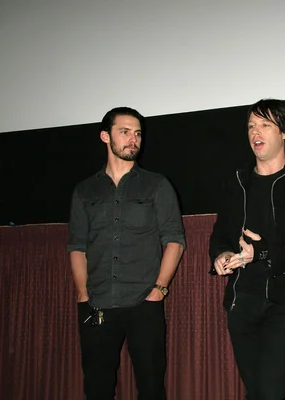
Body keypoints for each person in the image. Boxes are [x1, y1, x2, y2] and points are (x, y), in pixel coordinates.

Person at [209, 99, 285, 400]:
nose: (255, 132)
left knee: (270, 393)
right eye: (251, 126)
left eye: (265, 124)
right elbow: (220, 235)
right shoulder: (237, 181)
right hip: (241, 302)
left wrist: (261, 251)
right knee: (257, 392)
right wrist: (222, 255)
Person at [67, 107, 186, 400]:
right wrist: (83, 295)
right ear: (105, 136)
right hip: (97, 303)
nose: (133, 139)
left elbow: (175, 241)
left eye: (138, 134)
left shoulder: (157, 185)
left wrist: (158, 290)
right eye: (125, 132)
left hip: (143, 303)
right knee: (96, 388)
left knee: (150, 387)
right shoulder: (85, 191)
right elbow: (77, 246)